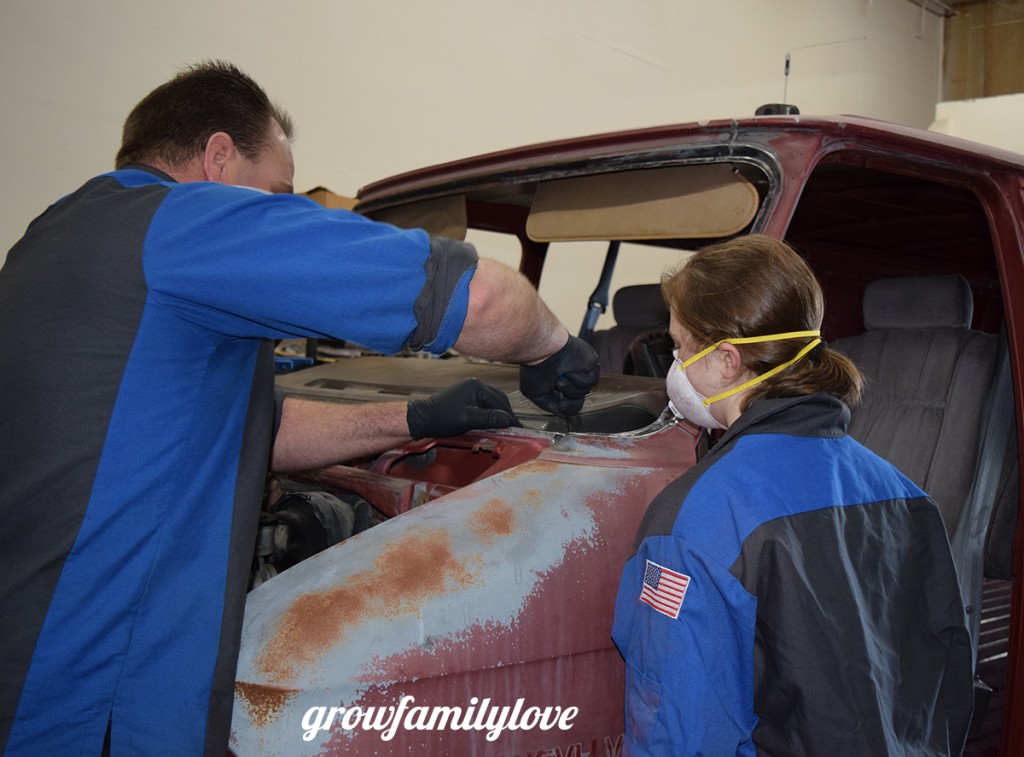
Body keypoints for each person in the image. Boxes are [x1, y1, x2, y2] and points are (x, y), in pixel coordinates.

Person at [0, 61, 599, 756]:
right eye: (279, 194)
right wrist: (554, 343)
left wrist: (411, 418)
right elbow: (483, 298)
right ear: (219, 157)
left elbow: (247, 429)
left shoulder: (56, 231)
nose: (282, 209)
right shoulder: (184, 226)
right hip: (92, 697)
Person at [611, 235, 974, 756]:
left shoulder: (695, 520)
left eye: (680, 346)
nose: (675, 365)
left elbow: (681, 730)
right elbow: (945, 681)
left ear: (728, 360)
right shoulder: (906, 494)